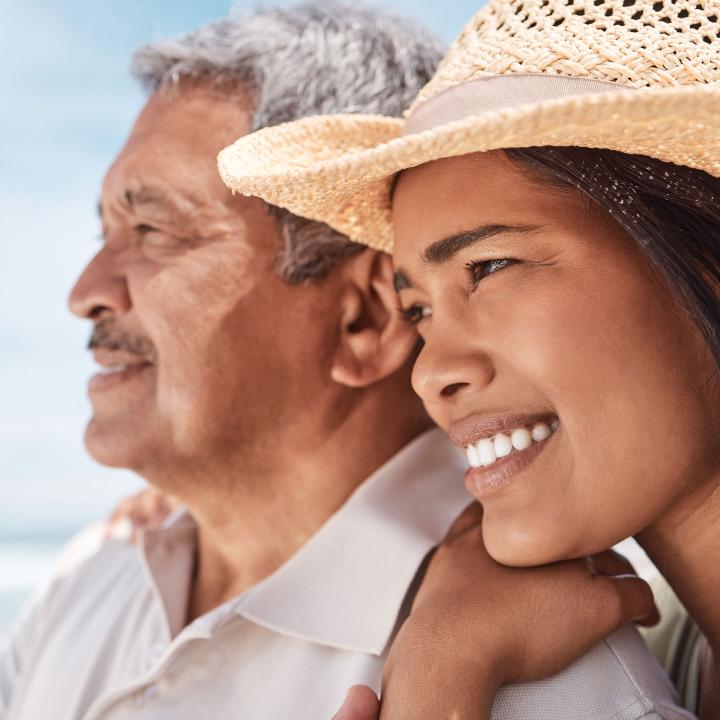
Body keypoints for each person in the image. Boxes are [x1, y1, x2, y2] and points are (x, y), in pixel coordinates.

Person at [0, 3, 659, 719]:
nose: (84, 292)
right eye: (105, 232)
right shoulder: (90, 575)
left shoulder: (543, 685)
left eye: (153, 229)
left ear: (364, 319)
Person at [217, 0, 720, 718]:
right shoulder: (674, 648)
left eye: (487, 269)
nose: (429, 372)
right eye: (419, 309)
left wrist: (438, 677)